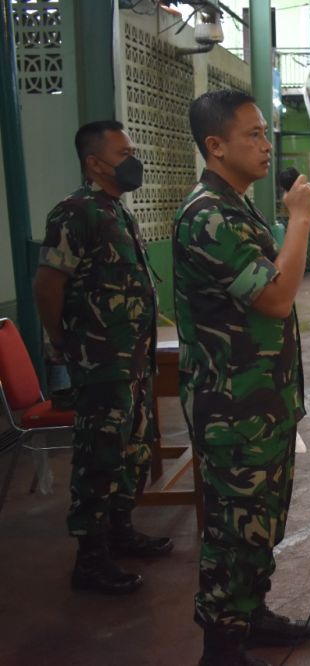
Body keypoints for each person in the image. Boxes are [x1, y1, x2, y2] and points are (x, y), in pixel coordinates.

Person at [173, 90, 310, 666]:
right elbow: (278, 297)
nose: (266, 145)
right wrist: (301, 219)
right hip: (232, 405)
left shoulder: (234, 205)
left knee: (261, 519)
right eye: (253, 135)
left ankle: (250, 613)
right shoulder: (208, 216)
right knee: (235, 527)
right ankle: (223, 642)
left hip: (260, 398)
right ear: (215, 146)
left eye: (266, 133)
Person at [33, 120, 171, 595]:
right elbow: (47, 285)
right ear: (95, 162)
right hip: (100, 362)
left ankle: (119, 532)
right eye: (124, 152)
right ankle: (90, 558)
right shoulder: (76, 212)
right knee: (99, 455)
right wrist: (64, 343)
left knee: (132, 449)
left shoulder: (114, 210)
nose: (134, 160)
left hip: (130, 360)